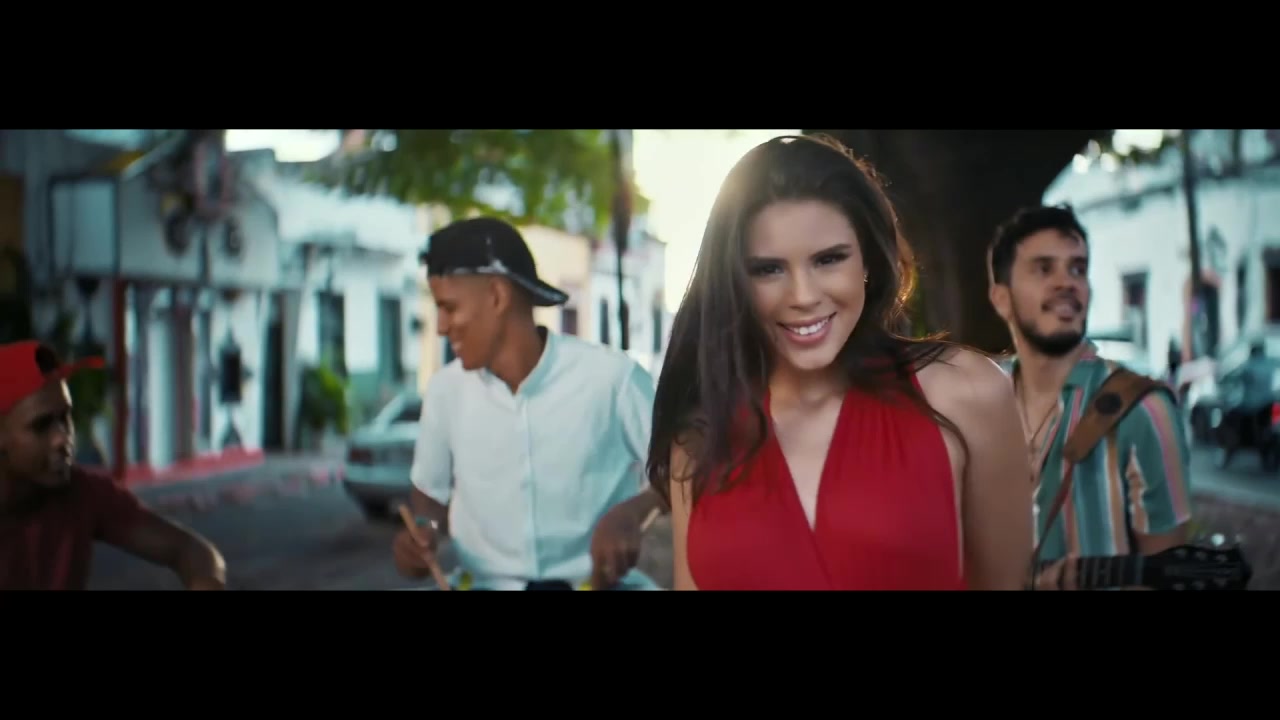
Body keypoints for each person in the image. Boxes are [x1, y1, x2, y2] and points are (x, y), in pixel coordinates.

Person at [647, 134, 1033, 591]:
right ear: (736, 282)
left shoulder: (966, 393)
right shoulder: (700, 438)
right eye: (769, 269)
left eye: (829, 260)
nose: (803, 296)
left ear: (867, 260)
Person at [391, 217, 666, 590]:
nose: (440, 326)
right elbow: (429, 495)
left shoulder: (613, 379)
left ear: (497, 296)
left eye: (449, 307)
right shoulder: (444, 391)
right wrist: (424, 529)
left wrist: (634, 511)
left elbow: (679, 471)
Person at [986, 204, 1193, 590]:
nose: (1066, 282)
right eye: (1044, 268)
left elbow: (1169, 577)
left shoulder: (1144, 410)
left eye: (1078, 269)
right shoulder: (979, 404)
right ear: (1001, 298)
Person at [0, 341, 226, 590]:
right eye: (41, 426)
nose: (62, 438)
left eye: (65, 418)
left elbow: (190, 550)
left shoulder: (83, 492)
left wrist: (206, 583)